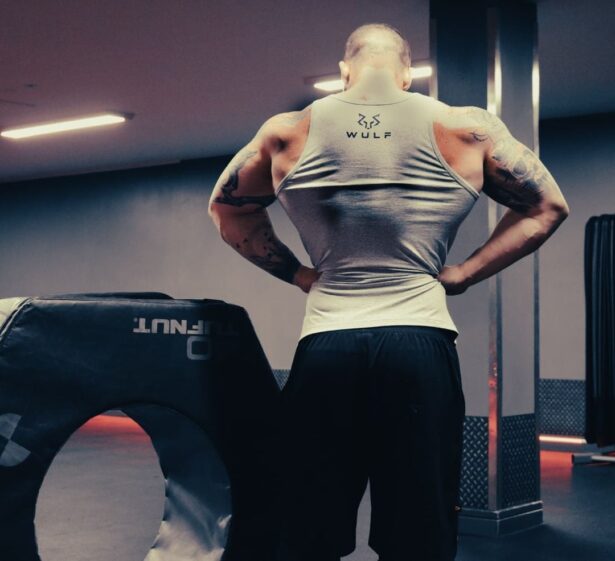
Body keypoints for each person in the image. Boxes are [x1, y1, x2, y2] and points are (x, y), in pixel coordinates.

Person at [208, 22, 569, 561]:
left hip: (327, 345)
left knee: (308, 525)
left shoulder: (288, 131)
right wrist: (465, 273)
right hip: (419, 345)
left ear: (344, 71)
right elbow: (548, 207)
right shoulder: (466, 128)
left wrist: (300, 275)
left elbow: (227, 209)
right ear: (407, 71)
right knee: (418, 532)